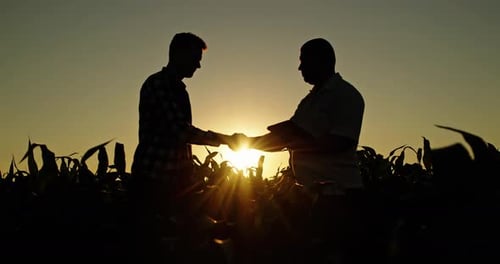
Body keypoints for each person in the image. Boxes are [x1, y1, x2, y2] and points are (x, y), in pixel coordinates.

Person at [240, 38, 375, 263]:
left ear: (322, 61)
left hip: (339, 196)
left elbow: (342, 142)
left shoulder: (346, 95)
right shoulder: (309, 100)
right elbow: (286, 136)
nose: (300, 67)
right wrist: (246, 142)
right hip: (312, 196)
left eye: (304, 61)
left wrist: (290, 141)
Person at [128, 32, 240, 262]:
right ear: (178, 54)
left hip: (173, 182)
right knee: (154, 244)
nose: (198, 65)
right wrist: (225, 139)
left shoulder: (178, 89)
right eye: (195, 58)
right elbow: (180, 132)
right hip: (153, 181)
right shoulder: (158, 84)